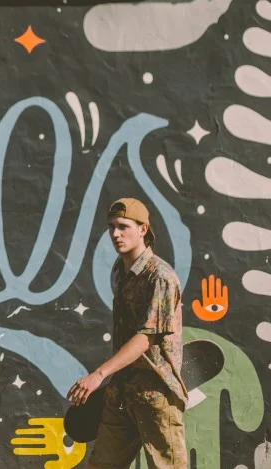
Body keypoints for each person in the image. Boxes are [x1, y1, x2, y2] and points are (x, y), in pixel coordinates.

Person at [66, 198, 187, 469]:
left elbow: (146, 338)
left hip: (156, 395)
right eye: (111, 227)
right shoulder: (122, 272)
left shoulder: (160, 277)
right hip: (122, 394)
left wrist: (98, 375)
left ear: (143, 229)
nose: (115, 234)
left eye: (123, 226)